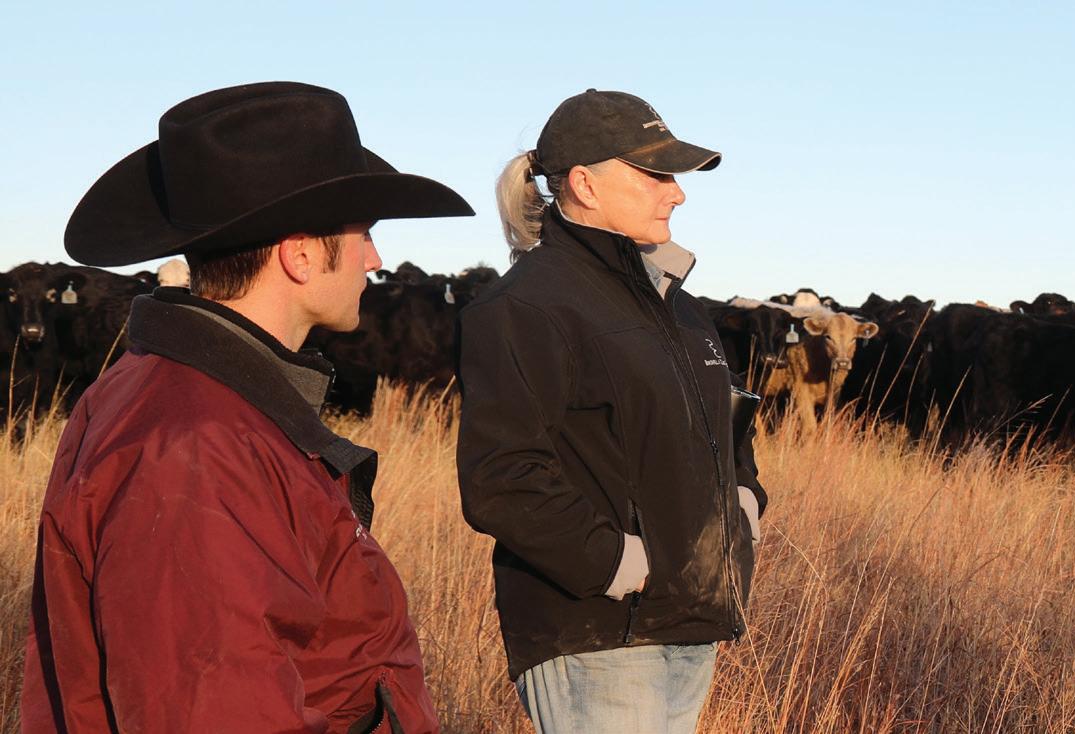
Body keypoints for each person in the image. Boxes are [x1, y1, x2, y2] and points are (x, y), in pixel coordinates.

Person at [25, 81, 472, 732]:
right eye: (364, 235)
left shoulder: (198, 402)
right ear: (300, 254)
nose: (375, 260)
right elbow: (212, 705)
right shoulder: (195, 442)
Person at [458, 89, 766, 733]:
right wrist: (621, 566)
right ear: (585, 184)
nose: (677, 193)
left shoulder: (682, 309)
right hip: (597, 631)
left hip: (691, 619)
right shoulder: (526, 306)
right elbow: (502, 478)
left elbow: (729, 429)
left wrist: (743, 508)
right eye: (655, 174)